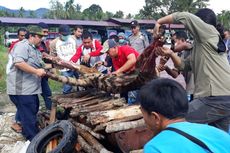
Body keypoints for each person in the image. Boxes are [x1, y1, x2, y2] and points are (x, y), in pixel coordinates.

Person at [153, 8, 230, 132]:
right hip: (224, 97)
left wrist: (159, 22)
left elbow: (184, 16)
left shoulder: (209, 31)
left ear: (201, 23)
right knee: (217, 138)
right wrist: (171, 53)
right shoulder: (202, 45)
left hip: (215, 97)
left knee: (175, 121)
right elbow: (184, 65)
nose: (189, 29)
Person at [140, 78, 230, 153]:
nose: (144, 121)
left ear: (155, 117)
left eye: (143, 114)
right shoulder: (219, 134)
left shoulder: (155, 147)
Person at [7, 25, 46, 141]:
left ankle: (28, 131)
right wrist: (36, 71)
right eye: (39, 36)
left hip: (31, 89)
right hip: (21, 89)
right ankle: (33, 141)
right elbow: (18, 63)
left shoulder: (34, 49)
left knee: (33, 110)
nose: (41, 39)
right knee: (28, 115)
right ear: (32, 36)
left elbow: (40, 65)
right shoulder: (22, 46)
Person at [49, 24, 78, 94]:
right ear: (59, 34)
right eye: (64, 35)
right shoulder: (54, 43)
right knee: (67, 86)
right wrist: (55, 63)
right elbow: (52, 57)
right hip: (64, 68)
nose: (66, 36)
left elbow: (77, 50)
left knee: (80, 82)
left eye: (67, 34)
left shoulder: (73, 39)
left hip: (76, 65)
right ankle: (66, 100)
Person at [37, 22, 52, 110]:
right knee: (47, 94)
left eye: (47, 32)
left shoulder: (43, 43)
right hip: (35, 73)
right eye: (44, 32)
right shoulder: (33, 44)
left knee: (47, 93)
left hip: (42, 73)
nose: (46, 34)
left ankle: (49, 112)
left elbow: (45, 56)